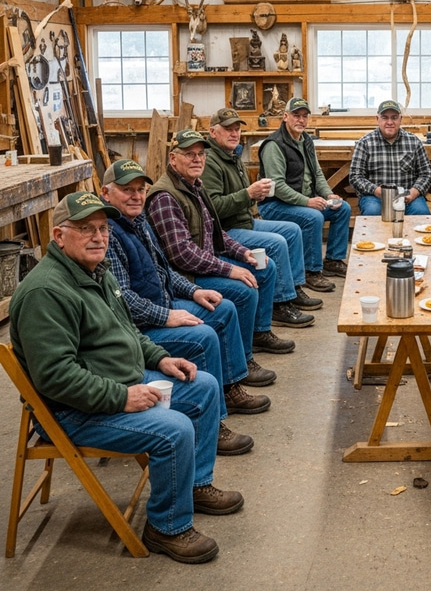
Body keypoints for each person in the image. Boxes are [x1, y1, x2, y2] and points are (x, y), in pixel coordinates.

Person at [10, 192, 244, 564]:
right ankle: (167, 528)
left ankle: (194, 486)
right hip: (75, 410)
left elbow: (128, 332)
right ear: (58, 235)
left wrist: (161, 358)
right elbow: (56, 378)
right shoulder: (46, 293)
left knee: (204, 387)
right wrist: (122, 397)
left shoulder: (94, 271)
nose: (98, 237)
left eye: (102, 228)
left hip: (118, 381)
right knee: (175, 429)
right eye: (85, 228)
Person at [101, 159, 268, 456]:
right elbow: (122, 299)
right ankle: (213, 426)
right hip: (142, 325)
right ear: (106, 193)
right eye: (127, 190)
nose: (136, 196)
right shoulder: (108, 234)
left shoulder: (139, 222)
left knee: (223, 307)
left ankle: (229, 389)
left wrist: (195, 290)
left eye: (140, 189)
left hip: (163, 304)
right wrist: (167, 316)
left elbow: (164, 271)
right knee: (203, 337)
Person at [146, 129, 295, 372]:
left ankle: (258, 333)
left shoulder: (194, 185)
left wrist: (241, 252)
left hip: (203, 264)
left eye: (201, 154)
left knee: (265, 267)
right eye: (189, 154)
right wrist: (229, 270)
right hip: (186, 276)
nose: (197, 159)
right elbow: (183, 254)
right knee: (243, 290)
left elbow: (214, 231)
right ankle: (242, 361)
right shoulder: (165, 196)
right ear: (173, 159)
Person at [203, 107, 321, 326]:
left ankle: (292, 290)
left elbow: (241, 198)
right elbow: (214, 209)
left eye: (237, 129)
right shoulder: (210, 161)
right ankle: (280, 305)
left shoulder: (232, 156)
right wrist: (249, 194)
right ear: (212, 132)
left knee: (291, 231)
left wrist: (252, 194)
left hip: (244, 220)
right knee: (276, 243)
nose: (234, 133)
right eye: (228, 129)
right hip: (226, 230)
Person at [257, 98, 352, 288]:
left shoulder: (306, 140)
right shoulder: (274, 145)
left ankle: (333, 260)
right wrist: (307, 202)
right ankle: (311, 271)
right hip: (275, 205)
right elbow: (279, 186)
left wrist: (328, 195)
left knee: (343, 208)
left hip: (300, 202)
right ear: (285, 117)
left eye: (304, 116)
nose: (300, 120)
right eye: (296, 115)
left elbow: (317, 172)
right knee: (314, 217)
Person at [349, 99, 431, 216]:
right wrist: (376, 190)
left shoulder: (414, 142)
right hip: (375, 197)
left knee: (421, 213)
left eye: (394, 117)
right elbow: (355, 176)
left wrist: (414, 192)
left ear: (400, 119)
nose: (390, 122)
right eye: (385, 117)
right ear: (377, 119)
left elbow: (426, 173)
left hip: (407, 196)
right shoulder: (364, 143)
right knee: (372, 212)